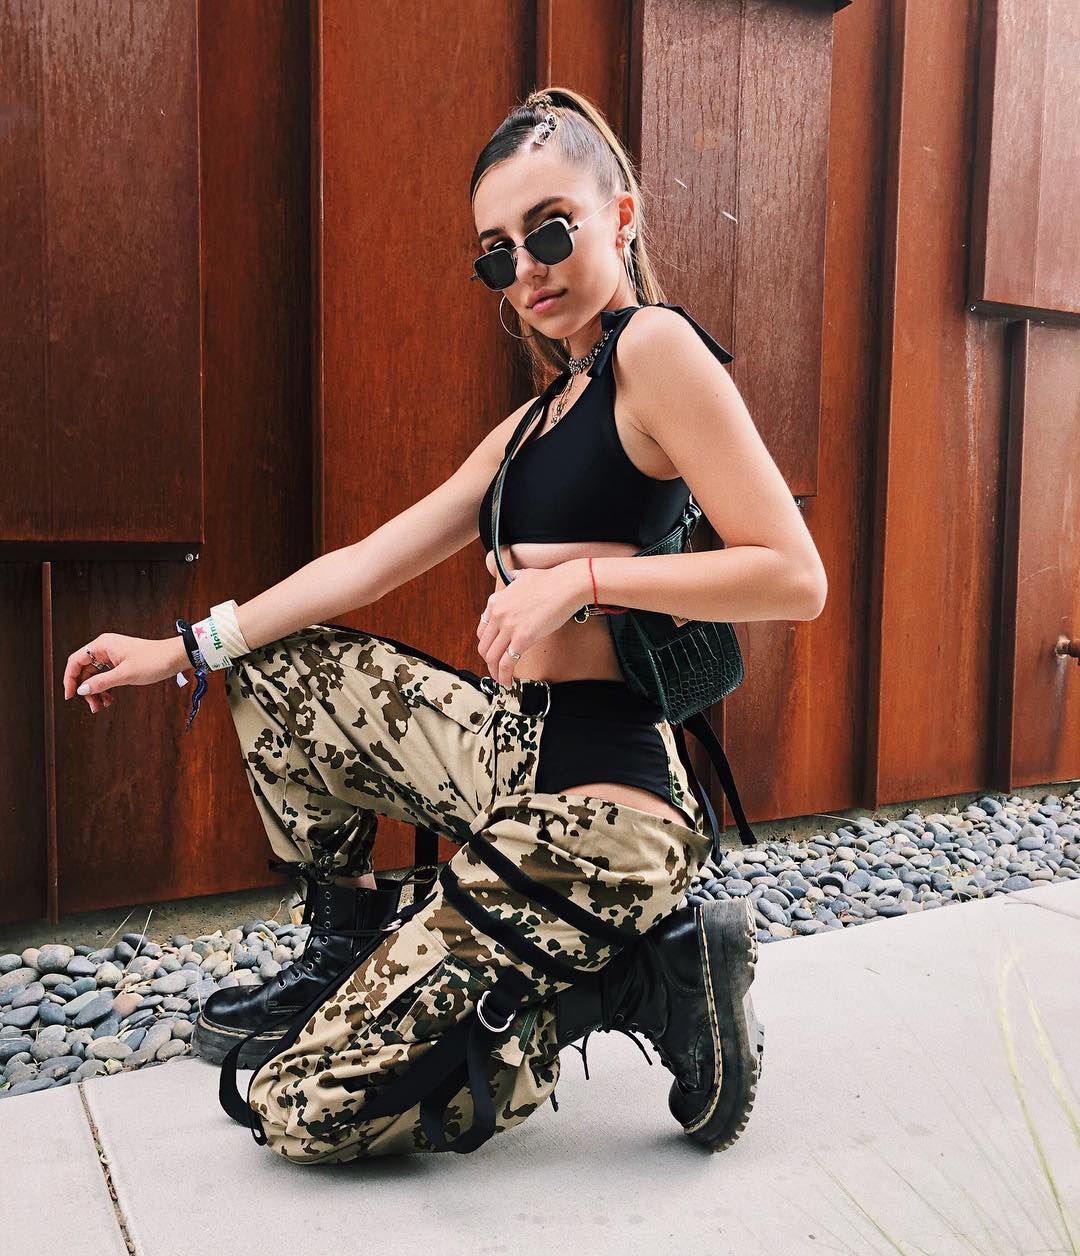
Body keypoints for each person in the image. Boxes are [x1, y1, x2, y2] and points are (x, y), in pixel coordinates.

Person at [63, 87, 827, 1162]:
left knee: (302, 1110)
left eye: (550, 231)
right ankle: (347, 946)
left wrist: (585, 581)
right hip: (505, 749)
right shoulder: (538, 419)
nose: (528, 271)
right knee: (275, 668)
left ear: (620, 215)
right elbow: (365, 563)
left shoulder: (655, 350)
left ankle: (644, 978)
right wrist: (180, 650)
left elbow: (796, 576)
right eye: (498, 253)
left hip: (603, 810)